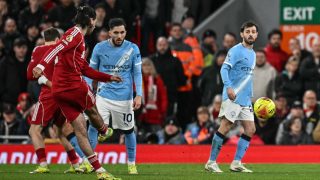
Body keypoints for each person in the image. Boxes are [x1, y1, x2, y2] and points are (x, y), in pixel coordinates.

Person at [32, 6, 121, 180]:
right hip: (73, 86)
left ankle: (100, 171)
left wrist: (107, 77)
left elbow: (84, 68)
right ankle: (103, 131)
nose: (96, 23)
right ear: (91, 20)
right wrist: (41, 66)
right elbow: (55, 49)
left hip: (58, 91)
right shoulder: (75, 33)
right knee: (93, 112)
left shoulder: (76, 41)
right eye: (95, 20)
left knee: (81, 131)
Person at [87, 18, 142, 175]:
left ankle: (131, 164)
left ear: (125, 32)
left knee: (129, 131)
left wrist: (139, 95)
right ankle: (89, 162)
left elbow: (137, 73)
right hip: (103, 95)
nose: (119, 36)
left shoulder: (133, 49)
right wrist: (87, 89)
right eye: (116, 32)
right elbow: (90, 72)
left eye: (122, 32)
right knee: (93, 126)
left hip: (124, 98)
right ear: (109, 32)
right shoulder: (99, 48)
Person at [205, 21, 259, 173]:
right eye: (247, 31)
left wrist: (250, 95)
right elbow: (224, 69)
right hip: (233, 96)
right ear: (242, 34)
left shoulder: (253, 53)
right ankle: (211, 161)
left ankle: (236, 162)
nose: (250, 34)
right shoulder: (236, 50)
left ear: (257, 35)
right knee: (226, 126)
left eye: (253, 32)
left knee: (250, 129)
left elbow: (247, 77)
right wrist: (228, 87)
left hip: (245, 98)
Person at [149, 37, 186, 116]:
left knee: (170, 116)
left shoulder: (175, 60)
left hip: (171, 96)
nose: (162, 47)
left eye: (164, 45)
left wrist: (173, 86)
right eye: (160, 45)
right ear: (156, 46)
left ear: (168, 45)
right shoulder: (151, 60)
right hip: (154, 96)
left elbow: (182, 79)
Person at [139, 58, 167, 134]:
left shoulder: (157, 79)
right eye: (144, 65)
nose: (146, 67)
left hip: (155, 115)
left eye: (148, 65)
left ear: (152, 67)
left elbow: (163, 97)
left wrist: (162, 112)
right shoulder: (137, 80)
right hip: (140, 115)